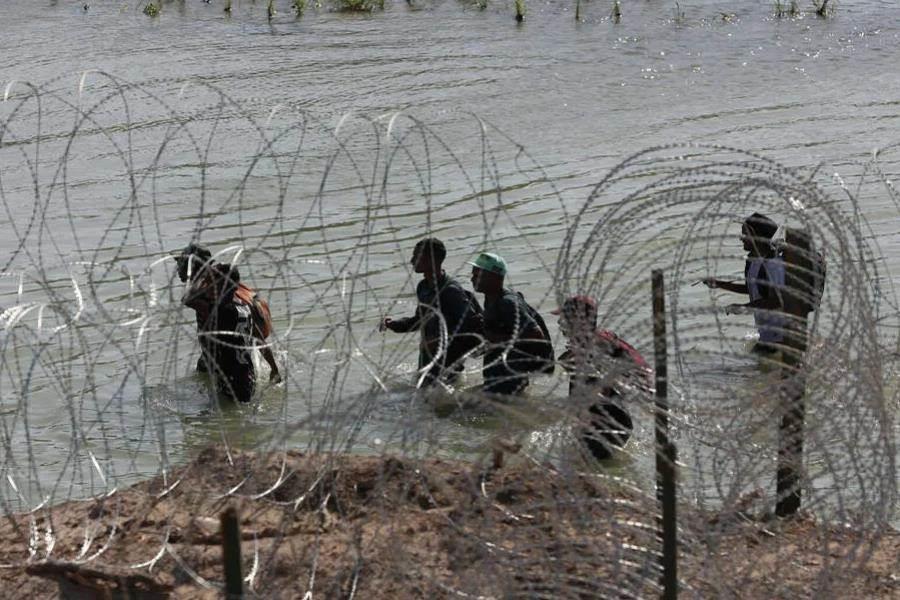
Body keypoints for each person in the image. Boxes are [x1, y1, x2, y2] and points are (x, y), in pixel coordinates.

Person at [554, 295, 651, 459]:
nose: (561, 324)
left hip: (603, 424)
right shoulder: (595, 342)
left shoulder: (592, 350)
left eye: (565, 319)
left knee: (588, 471)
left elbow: (599, 390)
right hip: (610, 421)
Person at [380, 238, 482, 387]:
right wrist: (393, 324)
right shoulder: (423, 287)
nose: (412, 260)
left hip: (447, 365)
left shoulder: (450, 290)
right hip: (427, 360)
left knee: (438, 404)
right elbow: (419, 320)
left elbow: (471, 326)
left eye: (416, 256)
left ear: (431, 260)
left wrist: (437, 341)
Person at [175, 244, 282, 382]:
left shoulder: (214, 298)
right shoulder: (220, 290)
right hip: (214, 356)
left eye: (182, 264)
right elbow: (258, 338)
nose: (179, 269)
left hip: (226, 365)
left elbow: (188, 299)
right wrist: (274, 368)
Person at [702, 213, 786, 354]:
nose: (742, 239)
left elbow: (777, 301)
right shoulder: (752, 262)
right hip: (766, 335)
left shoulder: (773, 265)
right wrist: (719, 284)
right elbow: (754, 290)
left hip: (782, 338)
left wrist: (744, 307)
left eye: (745, 235)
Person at [469, 252, 550, 396]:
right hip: (499, 375)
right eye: (473, 275)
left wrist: (495, 340)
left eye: (477, 275)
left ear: (494, 277)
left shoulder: (508, 303)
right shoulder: (490, 298)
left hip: (510, 378)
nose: (472, 279)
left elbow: (537, 335)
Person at [183, 263, 256, 403]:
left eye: (212, 281)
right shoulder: (244, 306)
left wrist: (201, 278)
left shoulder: (221, 311)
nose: (208, 286)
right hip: (248, 374)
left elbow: (188, 298)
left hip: (231, 379)